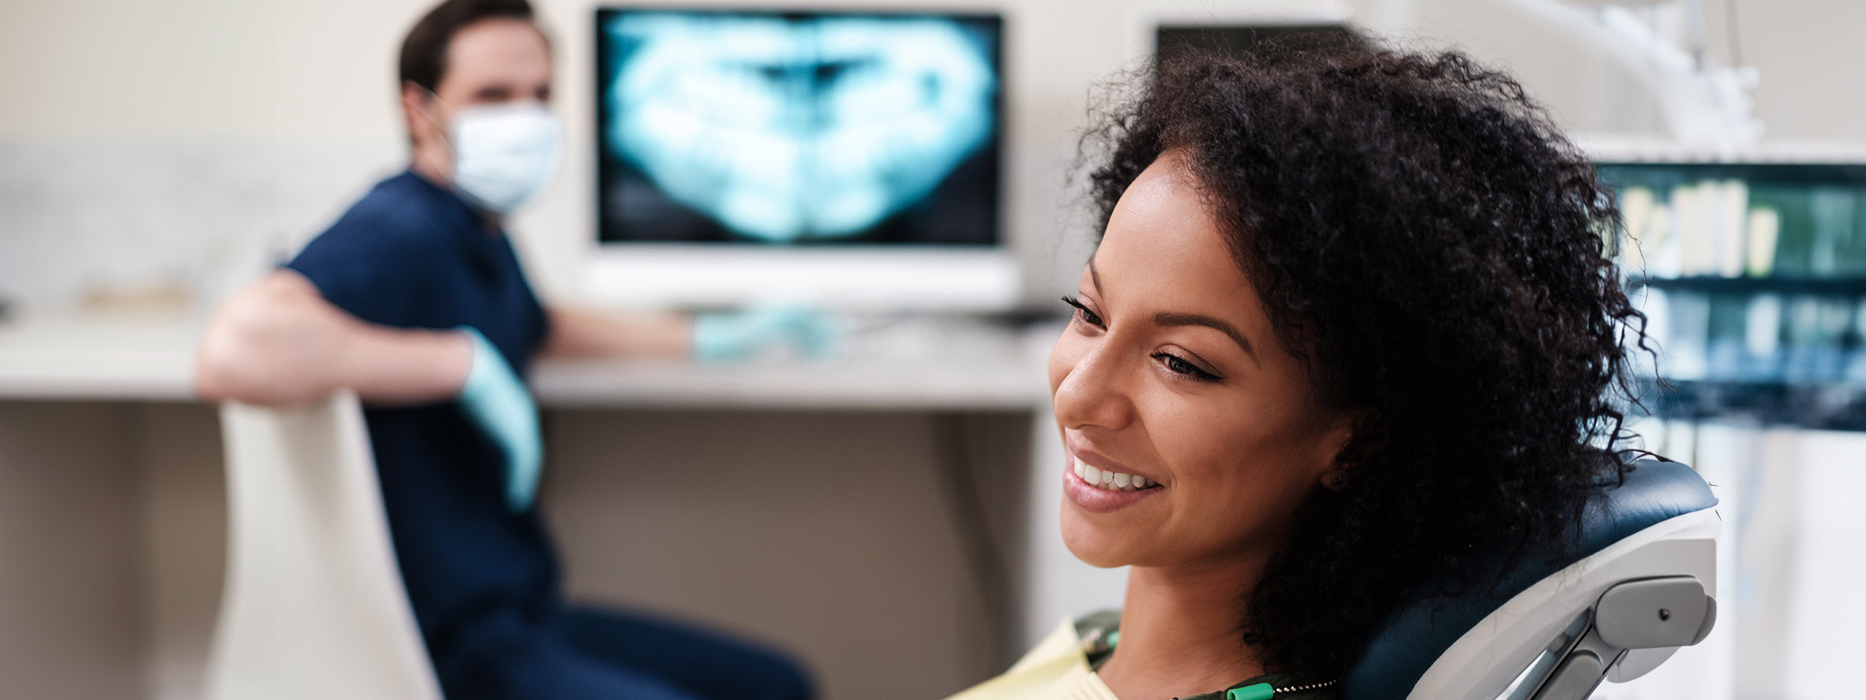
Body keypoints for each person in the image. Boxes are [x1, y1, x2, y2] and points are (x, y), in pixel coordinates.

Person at [948, 36, 1648, 700]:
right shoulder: (1104, 644)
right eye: (1089, 312)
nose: (1079, 393)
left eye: (1180, 363)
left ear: (1357, 438)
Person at [194, 1, 820, 698]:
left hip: (521, 618)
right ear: (419, 109)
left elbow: (537, 324)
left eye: (540, 95)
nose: (525, 118)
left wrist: (707, 336)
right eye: (493, 96)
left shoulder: (477, 228)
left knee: (778, 684)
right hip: (455, 647)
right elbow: (235, 349)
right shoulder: (399, 228)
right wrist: (458, 364)